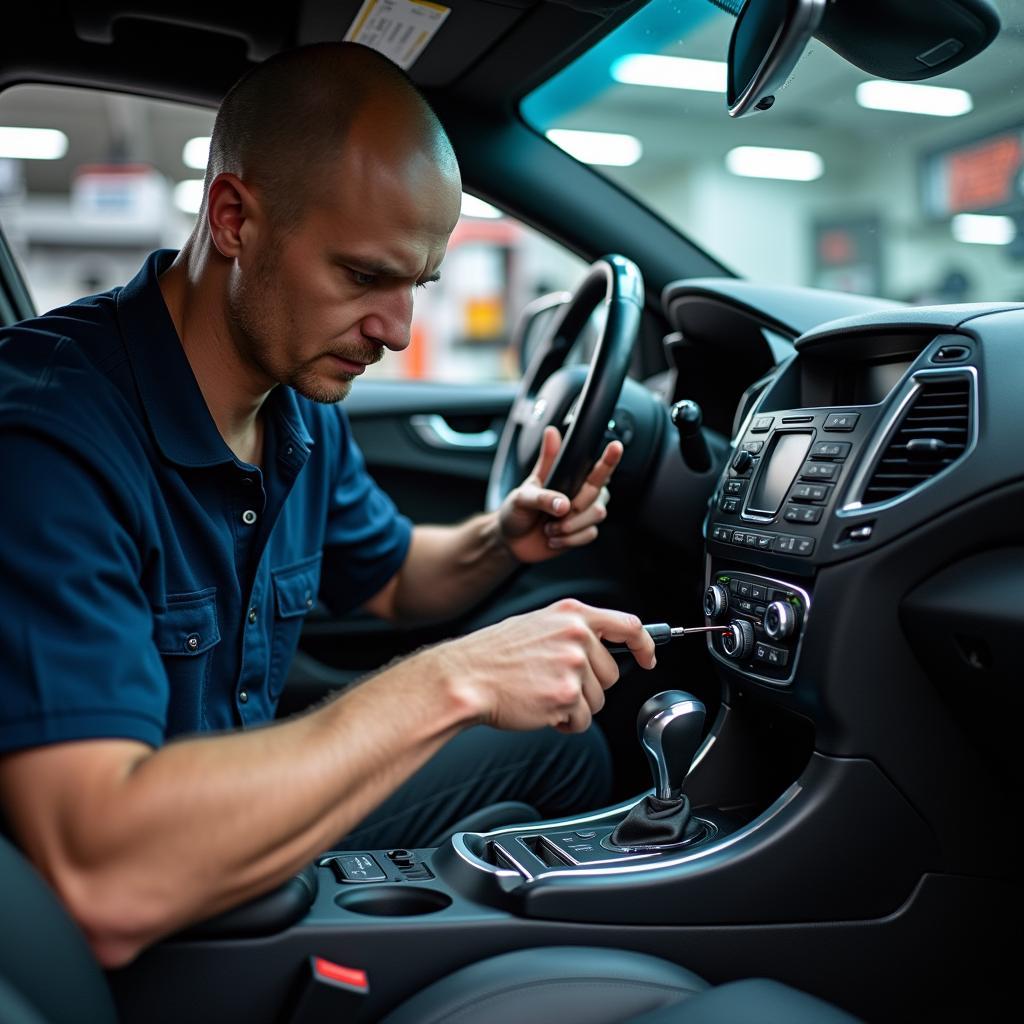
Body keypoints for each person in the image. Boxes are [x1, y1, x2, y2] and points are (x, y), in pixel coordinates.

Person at [0, 42, 655, 967]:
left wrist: (502, 539)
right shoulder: (48, 439)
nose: (397, 331)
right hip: (142, 924)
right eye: (362, 277)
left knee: (568, 744)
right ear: (233, 217)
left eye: (415, 286)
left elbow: (391, 580)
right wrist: (453, 682)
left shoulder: (294, 399)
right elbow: (102, 879)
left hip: (245, 824)